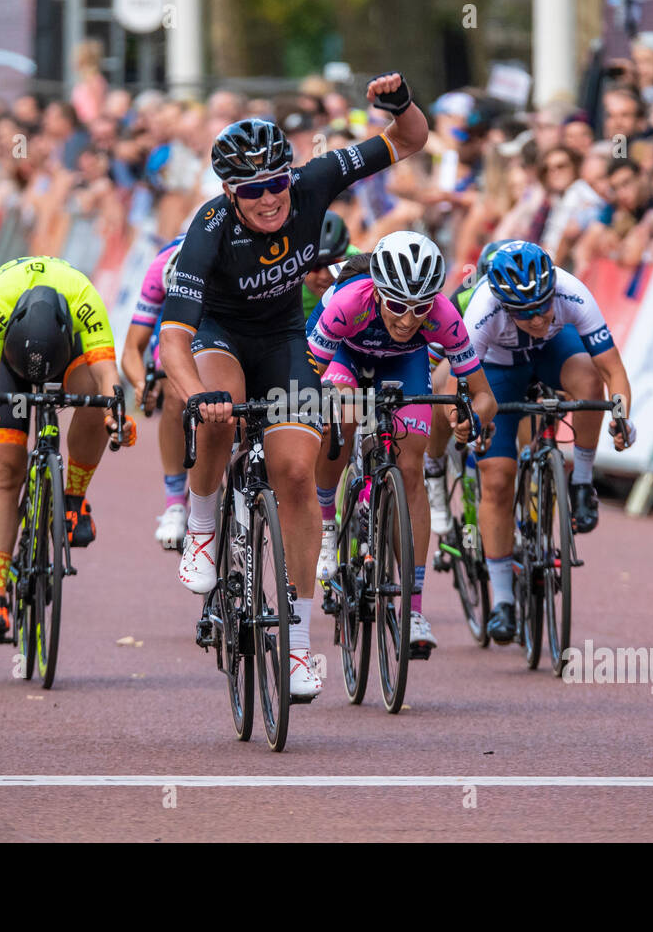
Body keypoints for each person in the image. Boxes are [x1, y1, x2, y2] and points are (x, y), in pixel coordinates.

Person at [158, 73, 428, 701]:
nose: (270, 199)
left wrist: (399, 105)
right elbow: (174, 339)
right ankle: (201, 525)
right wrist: (197, 395)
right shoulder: (206, 230)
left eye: (276, 183)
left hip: (282, 337)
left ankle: (301, 644)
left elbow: (409, 139)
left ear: (290, 173)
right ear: (230, 191)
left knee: (298, 475)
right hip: (220, 336)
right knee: (220, 418)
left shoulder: (315, 180)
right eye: (252, 191)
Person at [308, 232, 496, 656]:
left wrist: (471, 419)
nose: (409, 319)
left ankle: (412, 609)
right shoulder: (348, 302)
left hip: (403, 361)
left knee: (411, 469)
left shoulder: (444, 315)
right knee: (343, 413)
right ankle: (325, 522)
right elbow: (305, 378)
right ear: (377, 292)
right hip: (344, 355)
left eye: (420, 308)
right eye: (396, 305)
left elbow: (485, 396)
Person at [456, 242, 634, 644]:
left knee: (590, 381)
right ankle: (502, 600)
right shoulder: (482, 309)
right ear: (504, 305)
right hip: (498, 371)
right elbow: (463, 381)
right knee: (497, 479)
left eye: (542, 306)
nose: (536, 318)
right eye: (524, 312)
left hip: (555, 352)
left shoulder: (572, 291)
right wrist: (470, 420)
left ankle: (583, 483)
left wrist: (622, 415)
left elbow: (613, 369)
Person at [0, 257, 136, 639]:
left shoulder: (83, 297)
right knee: (3, 473)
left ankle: (73, 498)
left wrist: (117, 419)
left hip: (68, 358)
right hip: (9, 366)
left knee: (94, 399)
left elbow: (109, 375)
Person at [119, 235, 191, 549]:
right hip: (175, 334)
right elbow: (132, 349)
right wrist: (140, 383)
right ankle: (175, 501)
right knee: (176, 391)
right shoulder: (164, 265)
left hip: (225, 323)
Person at [299, 210, 358, 318]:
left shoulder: (359, 267)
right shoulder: (285, 290)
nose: (324, 276)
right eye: (313, 266)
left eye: (334, 263)